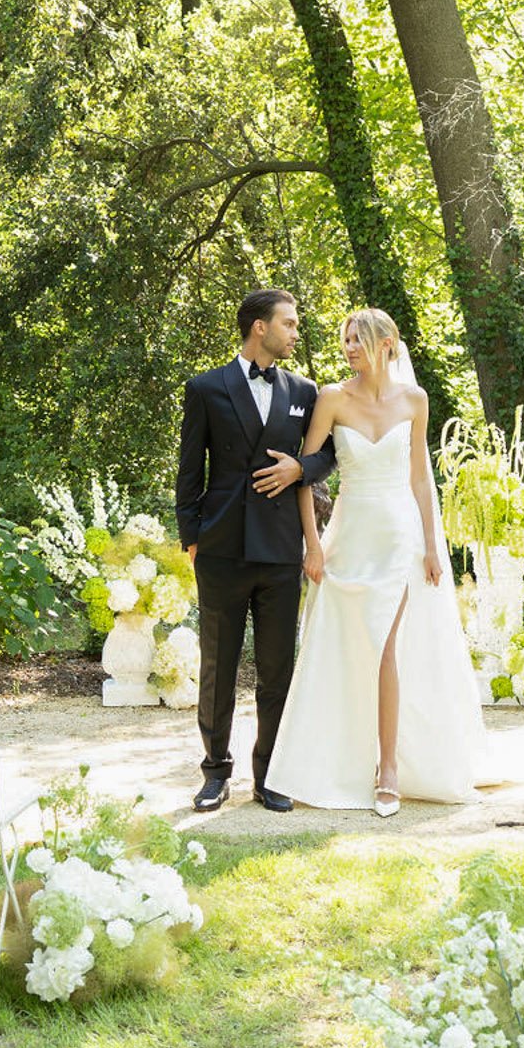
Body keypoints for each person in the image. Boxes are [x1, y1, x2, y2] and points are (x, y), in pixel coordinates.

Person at [265, 308, 489, 814]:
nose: (349, 349)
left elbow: (419, 479)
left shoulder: (415, 400)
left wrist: (432, 545)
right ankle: (333, 760)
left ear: (388, 344)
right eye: (345, 340)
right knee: (344, 649)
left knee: (387, 646)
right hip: (348, 538)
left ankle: (388, 768)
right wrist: (313, 544)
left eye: (359, 340)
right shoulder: (332, 398)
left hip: (399, 539)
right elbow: (307, 476)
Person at [175, 288, 335, 812]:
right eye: (288, 324)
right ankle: (215, 773)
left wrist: (300, 469)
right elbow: (188, 474)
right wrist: (192, 537)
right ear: (259, 328)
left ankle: (271, 775)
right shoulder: (205, 388)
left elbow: (328, 453)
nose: (295, 332)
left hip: (280, 548)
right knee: (218, 666)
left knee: (276, 668)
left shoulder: (305, 390)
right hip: (220, 549)